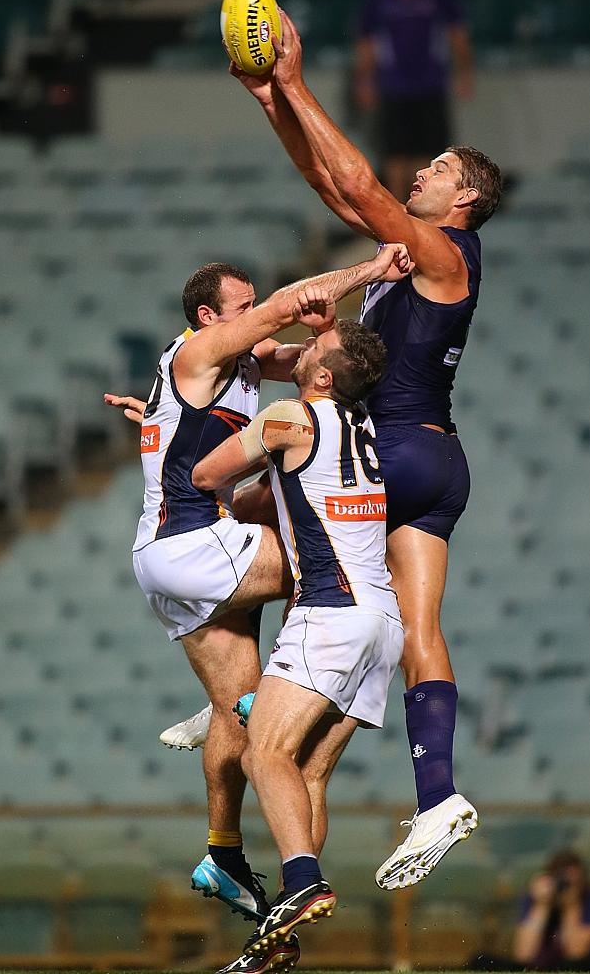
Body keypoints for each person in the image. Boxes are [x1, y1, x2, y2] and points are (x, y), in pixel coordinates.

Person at [230, 9, 503, 891]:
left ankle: (238, 685)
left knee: (267, 525)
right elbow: (333, 187)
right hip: (437, 464)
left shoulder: (444, 251)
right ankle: (439, 797)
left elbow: (359, 183)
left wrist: (300, 84)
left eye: (438, 170)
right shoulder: (413, 261)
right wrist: (271, 98)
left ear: (463, 199)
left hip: (394, 451)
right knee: (418, 626)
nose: (421, 174)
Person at [106, 245, 411, 924]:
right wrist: (372, 270)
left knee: (242, 725)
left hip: (178, 554)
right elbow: (287, 323)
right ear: (210, 316)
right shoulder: (200, 354)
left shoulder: (240, 364)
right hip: (192, 544)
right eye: (244, 310)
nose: (262, 323)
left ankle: (225, 854)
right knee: (323, 552)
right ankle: (267, 692)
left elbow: (313, 360)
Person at [191, 319, 404, 974]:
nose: (303, 346)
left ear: (319, 377)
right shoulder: (359, 428)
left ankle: (304, 882)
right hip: (381, 622)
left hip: (330, 612)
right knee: (305, 775)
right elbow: (272, 496)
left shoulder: (289, 419)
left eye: (314, 347)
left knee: (265, 752)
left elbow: (205, 475)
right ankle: (278, 941)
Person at [354, 0, 474, 201]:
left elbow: (456, 33)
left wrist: (464, 71)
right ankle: (400, 210)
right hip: (393, 88)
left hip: (430, 87)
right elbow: (367, 42)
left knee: (429, 154)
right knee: (395, 154)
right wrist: (364, 80)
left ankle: (425, 212)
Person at [513, 850, 590, 971]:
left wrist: (572, 907)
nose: (567, 886)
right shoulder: (535, 898)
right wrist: (542, 905)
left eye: (574, 882)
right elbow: (523, 955)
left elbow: (576, 955)